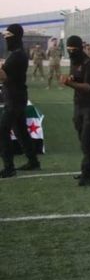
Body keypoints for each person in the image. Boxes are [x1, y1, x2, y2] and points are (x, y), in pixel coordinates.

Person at [0, 24, 40, 177]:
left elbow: (3, 76)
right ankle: (33, 161)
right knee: (21, 131)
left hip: (14, 98)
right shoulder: (17, 54)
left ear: (15, 37)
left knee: (3, 130)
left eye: (8, 36)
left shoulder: (17, 56)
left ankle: (9, 167)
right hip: (16, 97)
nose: (6, 39)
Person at [60, 36, 90, 186]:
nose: (71, 52)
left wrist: (69, 83)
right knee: (83, 139)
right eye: (69, 50)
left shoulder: (89, 64)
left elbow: (88, 87)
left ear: (80, 49)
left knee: (87, 139)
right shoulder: (74, 62)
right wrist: (70, 79)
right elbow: (76, 78)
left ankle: (87, 173)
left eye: (73, 50)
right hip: (78, 105)